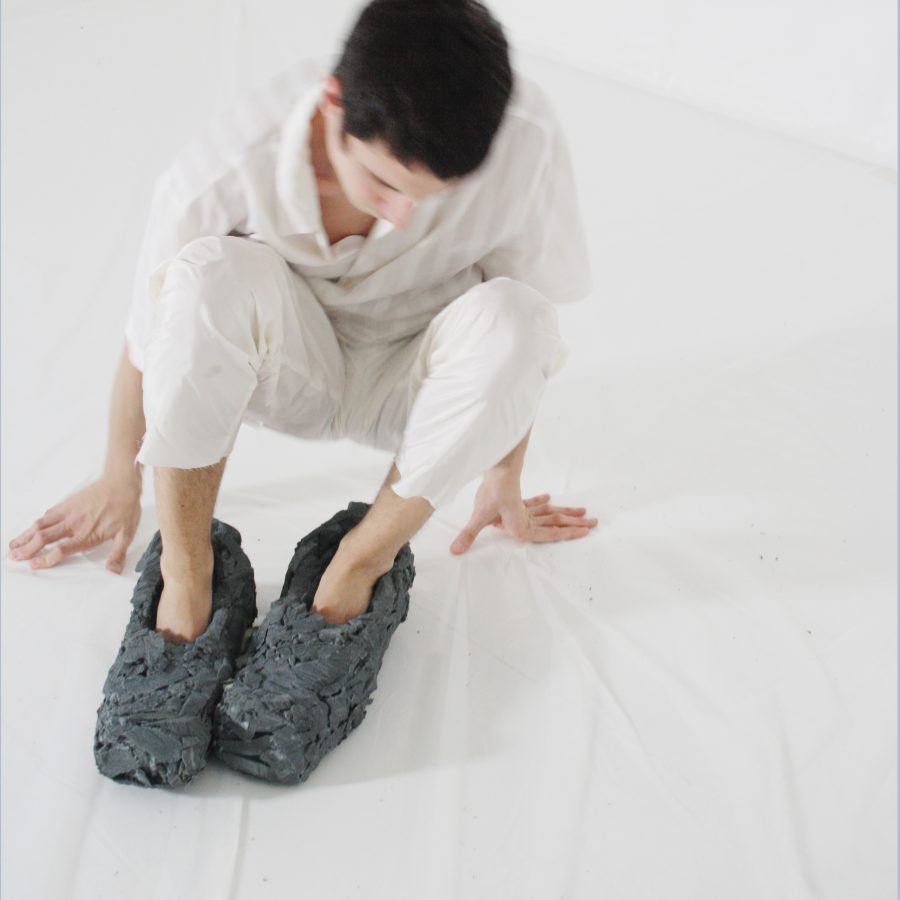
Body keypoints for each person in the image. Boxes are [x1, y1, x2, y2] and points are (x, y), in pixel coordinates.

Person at [8, 0, 597, 640]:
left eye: (427, 196)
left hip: (416, 385)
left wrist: (501, 474)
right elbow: (151, 336)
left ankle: (359, 563)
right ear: (333, 102)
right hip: (289, 369)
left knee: (523, 315)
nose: (403, 214)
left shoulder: (524, 138)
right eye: (383, 183)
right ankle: (188, 575)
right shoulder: (221, 169)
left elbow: (522, 320)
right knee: (207, 273)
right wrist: (118, 477)